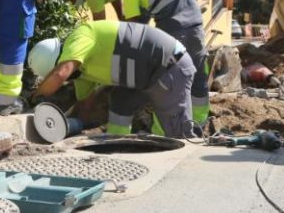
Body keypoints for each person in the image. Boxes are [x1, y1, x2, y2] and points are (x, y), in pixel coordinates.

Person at [28, 20, 198, 138]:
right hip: (144, 77)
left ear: (58, 60)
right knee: (121, 100)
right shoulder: (81, 72)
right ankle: (117, 144)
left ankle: (184, 175)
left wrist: (35, 98)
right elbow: (85, 105)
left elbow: (60, 74)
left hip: (168, 67)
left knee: (178, 134)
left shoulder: (81, 36)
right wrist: (68, 126)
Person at [107, 0, 210, 128]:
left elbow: (134, 27)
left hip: (171, 31)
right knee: (198, 74)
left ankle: (165, 133)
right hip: (195, 24)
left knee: (166, 83)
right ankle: (200, 125)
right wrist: (192, 4)